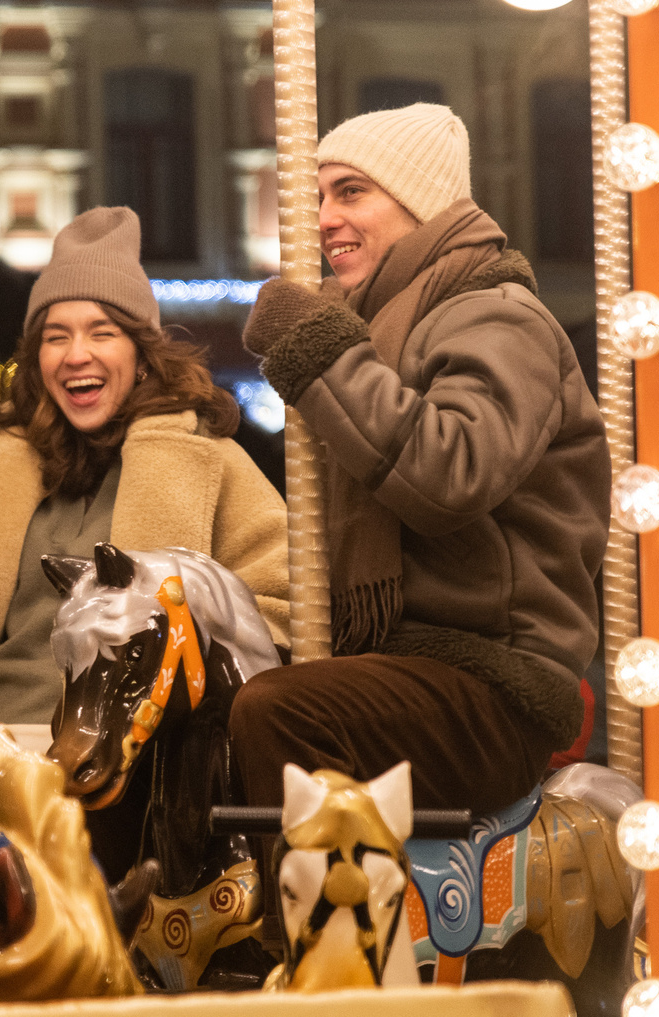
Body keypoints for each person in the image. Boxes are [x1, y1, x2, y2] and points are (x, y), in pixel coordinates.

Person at [232, 101, 606, 817]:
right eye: (319, 196)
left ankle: (311, 929)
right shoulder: (382, 327)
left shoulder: (497, 315)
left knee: (279, 711)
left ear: (420, 201)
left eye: (351, 192)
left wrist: (323, 353)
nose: (324, 219)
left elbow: (452, 470)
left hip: (491, 677)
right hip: (404, 666)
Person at [0, 205, 289, 736]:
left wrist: (176, 679)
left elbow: (280, 607)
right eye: (55, 337)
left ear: (142, 354)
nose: (75, 354)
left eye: (101, 333)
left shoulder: (207, 460)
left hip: (119, 752)